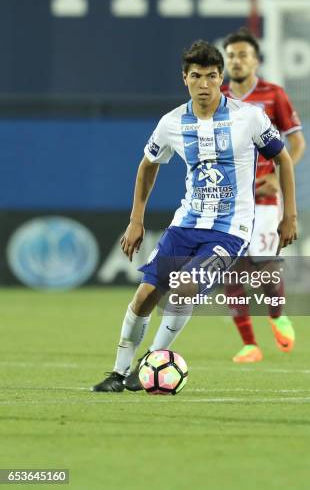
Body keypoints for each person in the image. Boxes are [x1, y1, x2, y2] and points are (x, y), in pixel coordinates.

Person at [92, 40, 297, 392]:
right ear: (184, 78)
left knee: (184, 288)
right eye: (197, 76)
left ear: (221, 79)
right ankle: (116, 372)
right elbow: (147, 167)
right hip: (185, 225)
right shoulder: (171, 123)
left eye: (212, 76)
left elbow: (283, 158)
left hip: (230, 230)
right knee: (144, 296)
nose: (204, 84)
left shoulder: (248, 117)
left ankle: (150, 362)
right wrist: (136, 219)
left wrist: (288, 215)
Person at [221, 28, 306, 363]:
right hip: (227, 200)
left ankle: (277, 314)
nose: (236, 61)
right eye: (231, 55)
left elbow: (297, 144)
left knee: (266, 267)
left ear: (255, 60)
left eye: (243, 55)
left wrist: (276, 174)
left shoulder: (274, 94)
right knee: (229, 269)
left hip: (265, 197)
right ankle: (249, 344)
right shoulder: (219, 97)